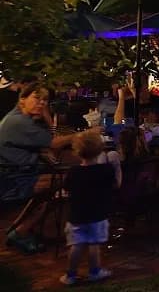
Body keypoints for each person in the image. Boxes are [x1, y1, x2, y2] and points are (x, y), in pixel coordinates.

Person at [0, 85, 91, 254]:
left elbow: (47, 141)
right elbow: (54, 142)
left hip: (20, 173)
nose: (41, 103)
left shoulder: (22, 119)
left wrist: (43, 151)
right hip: (13, 179)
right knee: (68, 180)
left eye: (45, 100)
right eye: (37, 98)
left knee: (61, 180)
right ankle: (20, 232)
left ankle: (21, 228)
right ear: (22, 100)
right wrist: (84, 135)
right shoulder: (18, 121)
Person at [60, 130, 119, 285]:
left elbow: (66, 189)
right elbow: (114, 185)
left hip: (76, 216)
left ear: (77, 151)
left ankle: (70, 275)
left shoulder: (74, 172)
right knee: (94, 244)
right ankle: (95, 272)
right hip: (98, 215)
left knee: (76, 246)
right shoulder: (106, 170)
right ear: (100, 149)